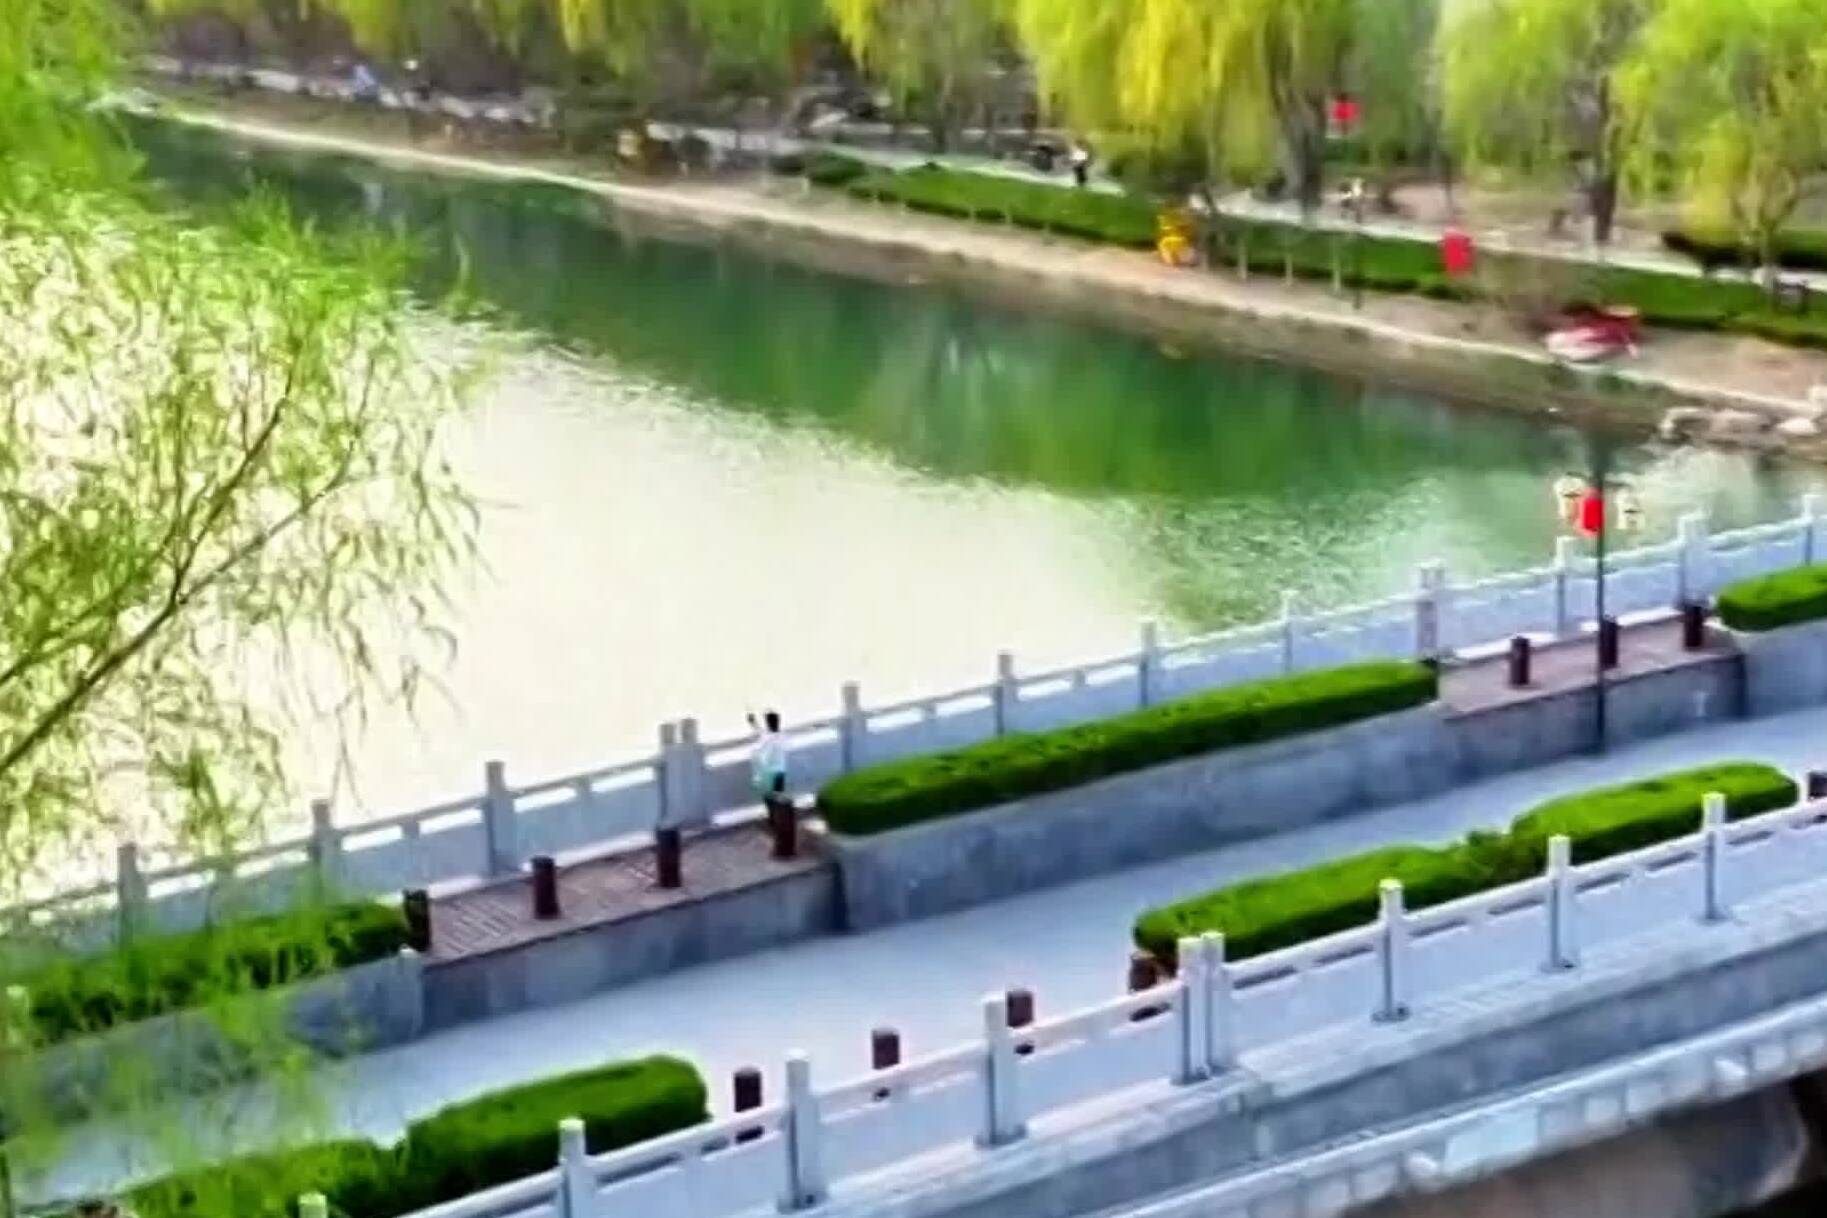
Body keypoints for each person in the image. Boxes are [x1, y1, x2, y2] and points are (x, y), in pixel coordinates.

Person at [748, 710, 788, 804]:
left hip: (769, 773)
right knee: (777, 796)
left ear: (768, 723)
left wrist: (753, 722)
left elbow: (760, 732)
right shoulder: (782, 736)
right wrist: (753, 722)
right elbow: (760, 731)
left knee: (771, 798)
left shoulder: (767, 736)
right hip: (779, 771)